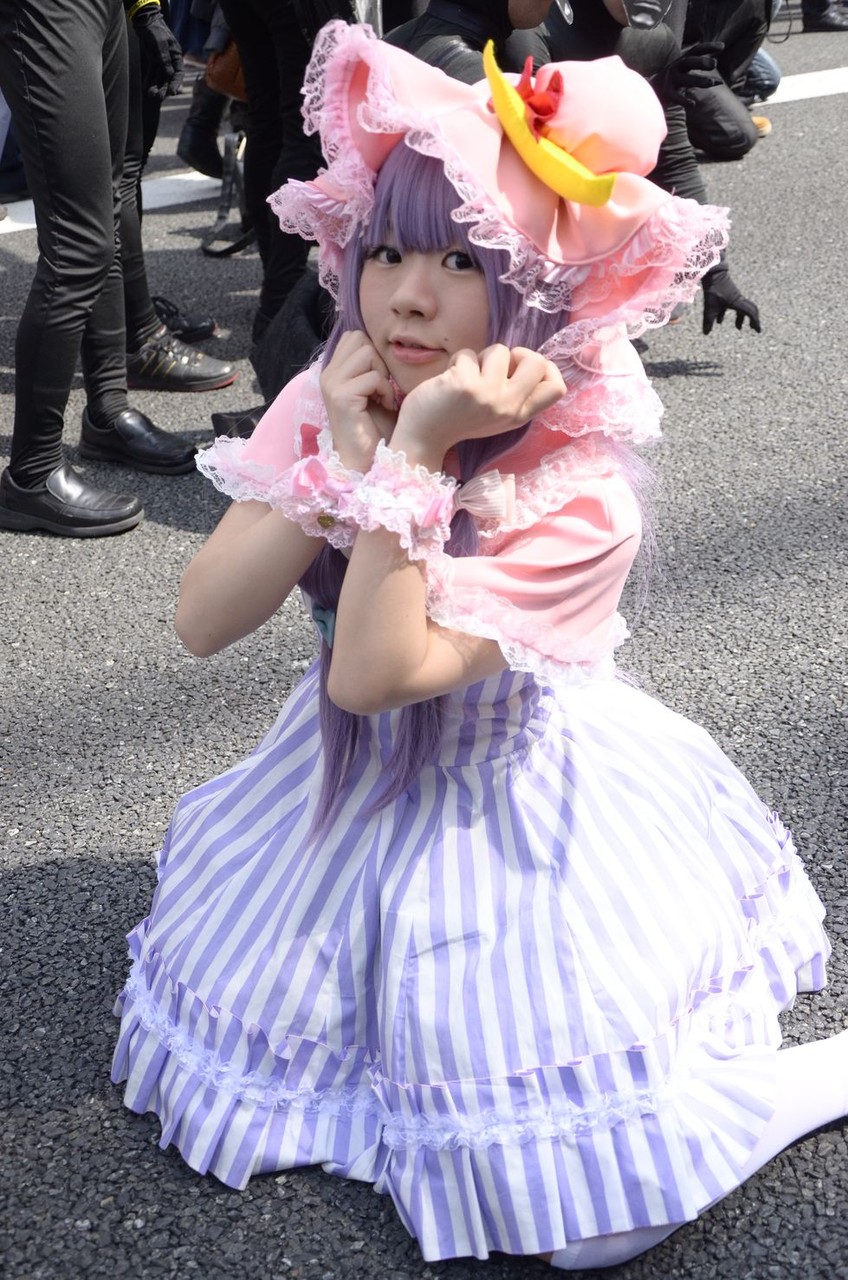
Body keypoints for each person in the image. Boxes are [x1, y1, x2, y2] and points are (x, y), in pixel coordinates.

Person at [111, 22, 844, 1270]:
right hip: (336, 779)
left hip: (512, 798)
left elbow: (375, 673)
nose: (406, 292)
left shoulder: (576, 487)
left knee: (588, 1217)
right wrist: (341, 456)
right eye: (386, 249)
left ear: (538, 289)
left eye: (463, 258)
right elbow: (202, 620)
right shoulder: (334, 392)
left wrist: (404, 460)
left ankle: (800, 1082)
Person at [0, 0, 197, 537]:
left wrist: (146, 9)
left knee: (108, 213)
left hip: (110, 9)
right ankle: (32, 473)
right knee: (78, 244)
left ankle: (109, 413)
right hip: (44, 10)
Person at [541, 0, 761, 336]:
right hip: (523, 193)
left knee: (664, 292)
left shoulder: (657, 27)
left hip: (585, 190)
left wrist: (715, 271)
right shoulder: (534, 24)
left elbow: (674, 156)